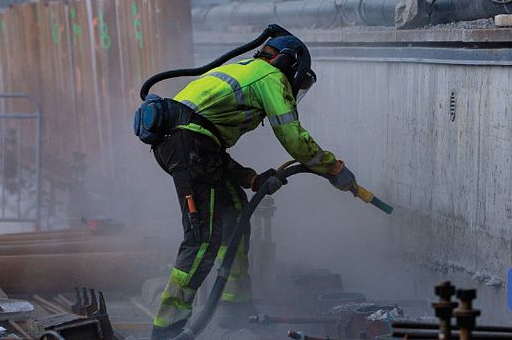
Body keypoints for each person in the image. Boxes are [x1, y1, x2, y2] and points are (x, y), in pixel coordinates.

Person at [149, 33, 357, 339]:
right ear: (287, 64)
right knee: (202, 239)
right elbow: (293, 138)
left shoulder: (244, 68)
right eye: (297, 81)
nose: (293, 89)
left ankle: (235, 312)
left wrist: (252, 179)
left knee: (235, 216)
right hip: (187, 148)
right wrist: (333, 168)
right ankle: (167, 328)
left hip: (192, 148)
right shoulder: (270, 76)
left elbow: (209, 146)